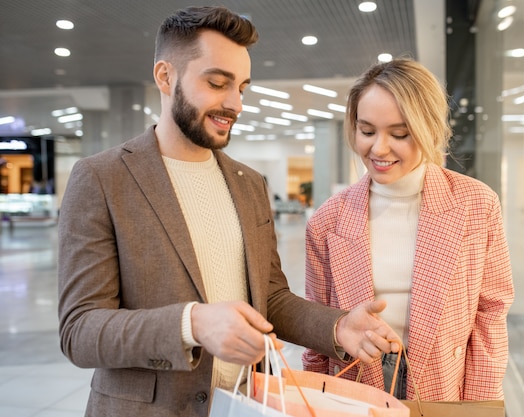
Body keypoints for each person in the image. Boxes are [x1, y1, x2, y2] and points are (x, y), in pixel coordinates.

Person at [57, 6, 399, 417]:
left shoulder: (249, 184)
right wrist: (193, 324)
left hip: (244, 405)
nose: (234, 103)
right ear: (165, 77)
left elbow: (269, 298)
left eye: (242, 87)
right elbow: (80, 330)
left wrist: (338, 327)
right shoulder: (102, 178)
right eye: (218, 83)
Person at [303, 58, 515, 401]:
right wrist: (310, 399)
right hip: (355, 385)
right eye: (367, 131)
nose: (379, 149)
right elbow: (319, 328)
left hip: (443, 384)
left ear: (429, 128)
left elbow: (490, 313)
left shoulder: (477, 204)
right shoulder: (329, 220)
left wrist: (481, 403)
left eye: (399, 133)